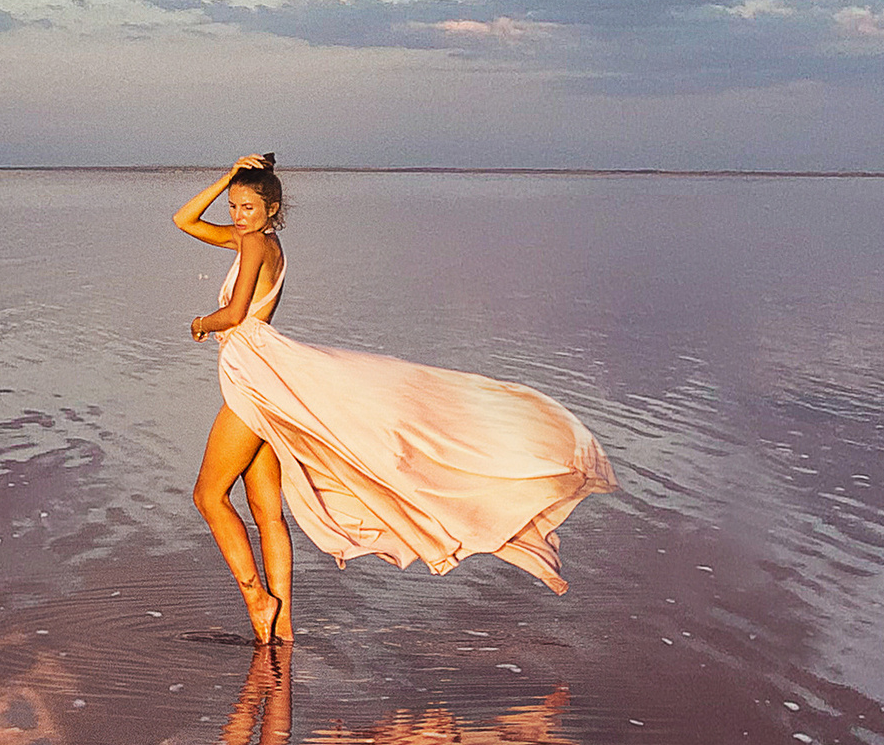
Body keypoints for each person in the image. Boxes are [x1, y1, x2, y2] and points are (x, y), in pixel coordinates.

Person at [175, 154, 617, 645]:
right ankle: (279, 632)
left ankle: (258, 599)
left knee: (208, 496)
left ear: (271, 208)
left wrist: (200, 324)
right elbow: (184, 220)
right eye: (234, 207)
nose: (238, 215)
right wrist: (230, 177)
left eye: (248, 207)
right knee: (266, 512)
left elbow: (235, 314)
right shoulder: (262, 241)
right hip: (263, 369)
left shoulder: (254, 242)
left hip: (255, 375)